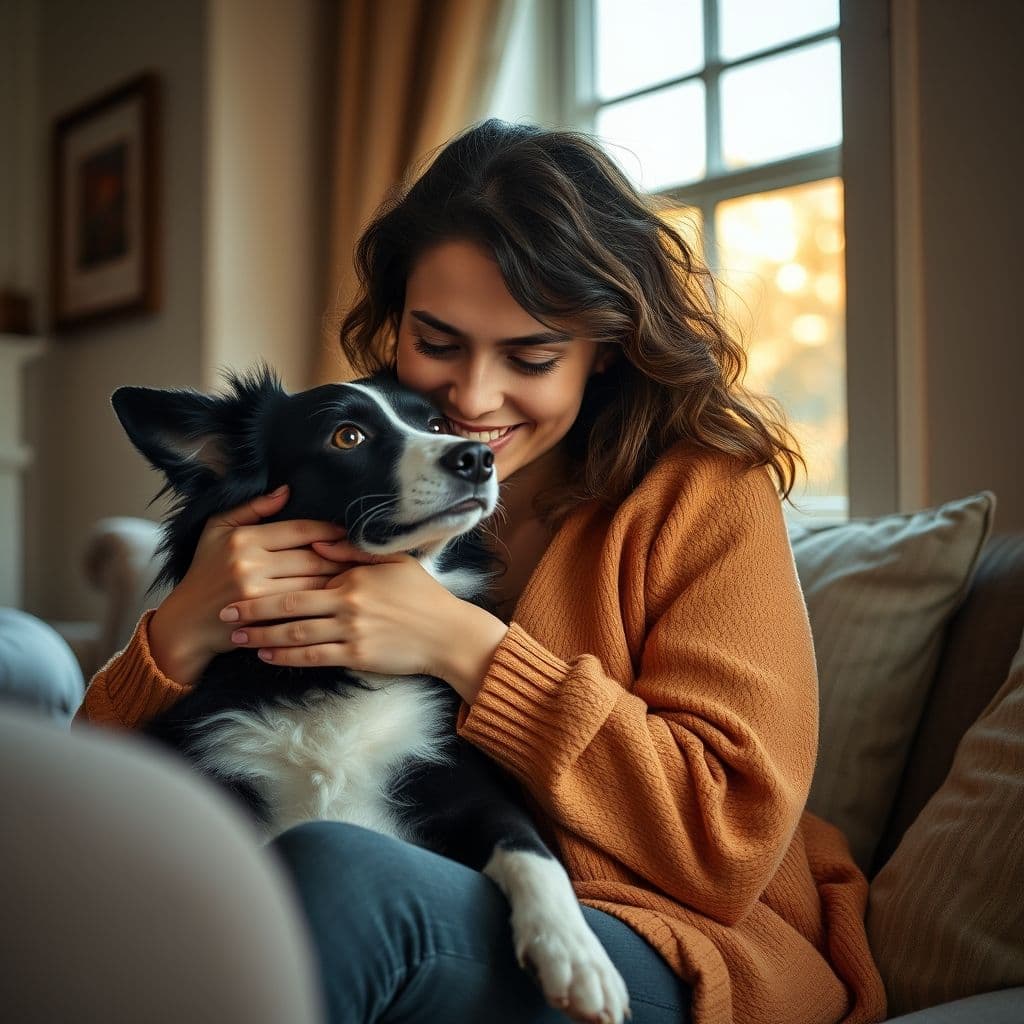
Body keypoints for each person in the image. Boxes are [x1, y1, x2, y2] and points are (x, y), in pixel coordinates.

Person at [75, 120, 887, 1024]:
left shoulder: (705, 492)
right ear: (397, 319)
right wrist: (184, 627)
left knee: (338, 875)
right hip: (443, 899)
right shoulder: (353, 471)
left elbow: (728, 840)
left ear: (605, 346)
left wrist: (464, 645)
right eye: (438, 342)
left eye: (530, 357)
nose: (471, 400)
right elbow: (84, 812)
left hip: (669, 942)